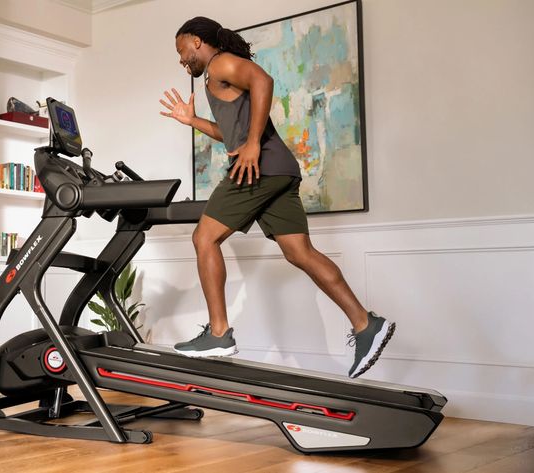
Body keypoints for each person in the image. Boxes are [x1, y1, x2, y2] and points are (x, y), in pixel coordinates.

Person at [159, 17, 394, 378]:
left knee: (203, 237)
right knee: (300, 252)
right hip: (280, 169)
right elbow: (230, 133)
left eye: (181, 51)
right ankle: (366, 325)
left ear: (195, 41)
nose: (181, 61)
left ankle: (219, 333)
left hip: (259, 168)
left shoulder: (220, 62)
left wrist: (253, 143)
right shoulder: (216, 76)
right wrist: (192, 121)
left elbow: (262, 80)